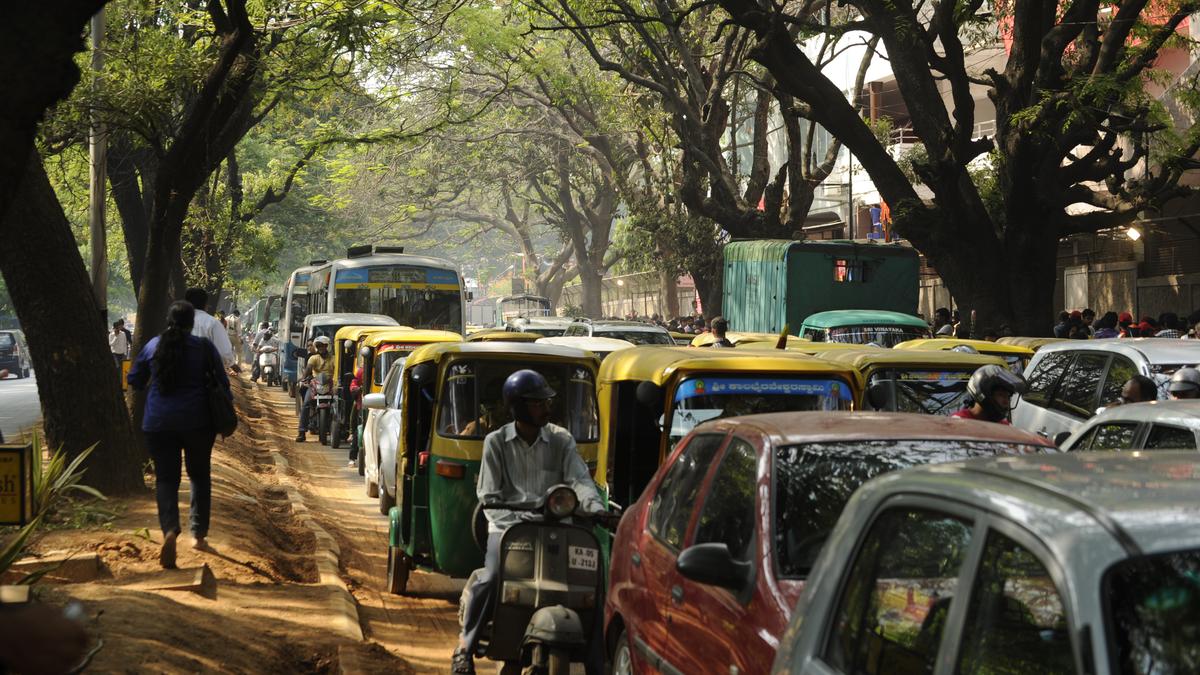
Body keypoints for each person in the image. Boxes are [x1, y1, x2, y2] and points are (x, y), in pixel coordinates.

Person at [452, 369, 604, 675]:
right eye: (537, 403)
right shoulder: (496, 442)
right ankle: (465, 648)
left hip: (558, 527)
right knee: (493, 577)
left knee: (595, 583)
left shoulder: (562, 440)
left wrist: (595, 507)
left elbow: (579, 479)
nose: (546, 408)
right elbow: (489, 494)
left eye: (546, 402)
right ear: (519, 406)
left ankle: (598, 660)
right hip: (509, 528)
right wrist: (513, 522)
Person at [127, 301, 230, 568]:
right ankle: (198, 535)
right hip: (198, 422)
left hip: (159, 423)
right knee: (199, 476)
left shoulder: (153, 345)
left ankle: (170, 529)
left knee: (166, 479)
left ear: (168, 320)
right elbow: (223, 382)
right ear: (191, 323)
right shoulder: (203, 347)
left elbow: (134, 379)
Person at [184, 288, 239, 372]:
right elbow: (224, 352)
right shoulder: (212, 323)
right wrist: (232, 364)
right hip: (202, 374)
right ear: (206, 304)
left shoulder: (177, 320)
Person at [952, 364, 1025, 424]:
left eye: (1008, 397)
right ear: (985, 393)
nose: (1006, 402)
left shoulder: (1003, 426)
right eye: (1001, 395)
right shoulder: (958, 422)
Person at [295, 335, 334, 442]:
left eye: (323, 346)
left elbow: (337, 371)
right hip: (315, 385)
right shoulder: (313, 358)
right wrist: (303, 379)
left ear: (328, 346)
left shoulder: (334, 359)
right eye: (319, 346)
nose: (321, 348)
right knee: (306, 404)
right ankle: (302, 432)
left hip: (330, 385)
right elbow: (308, 369)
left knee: (338, 404)